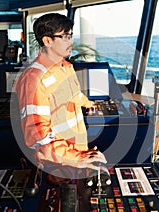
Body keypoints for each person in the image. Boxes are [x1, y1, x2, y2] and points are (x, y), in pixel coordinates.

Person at [14, 13, 106, 172]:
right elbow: (38, 137)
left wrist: (90, 104)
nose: (70, 41)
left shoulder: (65, 67)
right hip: (56, 164)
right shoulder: (33, 79)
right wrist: (75, 158)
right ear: (47, 41)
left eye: (70, 36)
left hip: (76, 152)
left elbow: (74, 95)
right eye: (65, 37)